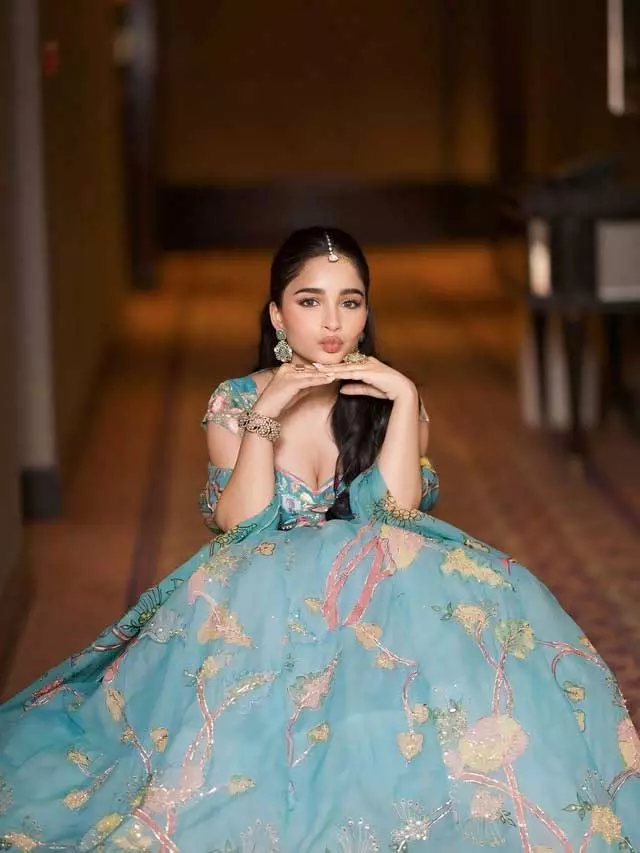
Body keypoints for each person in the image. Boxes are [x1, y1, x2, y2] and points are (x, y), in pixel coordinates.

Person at [0, 227, 639, 852]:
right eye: (310, 301)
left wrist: (404, 395)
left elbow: (396, 514)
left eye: (350, 302)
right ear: (278, 314)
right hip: (262, 599)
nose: (332, 322)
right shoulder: (236, 401)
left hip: (378, 595)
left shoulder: (389, 400)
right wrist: (267, 414)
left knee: (476, 629)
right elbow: (243, 527)